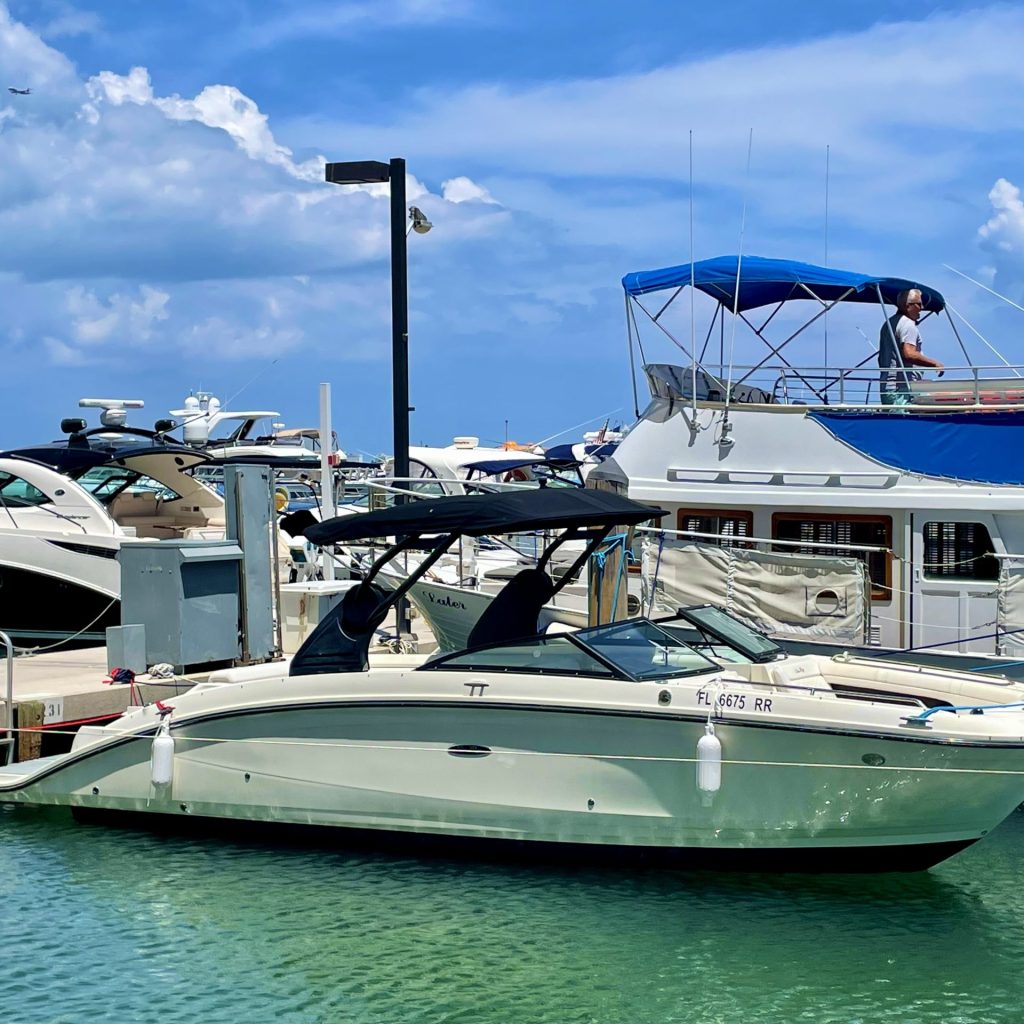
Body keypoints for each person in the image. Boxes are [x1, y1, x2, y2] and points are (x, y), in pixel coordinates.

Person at [878, 288, 944, 405]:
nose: (922, 307)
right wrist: (935, 364)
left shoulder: (888, 323)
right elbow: (909, 353)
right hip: (902, 389)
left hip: (887, 387)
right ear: (908, 306)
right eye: (919, 304)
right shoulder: (908, 324)